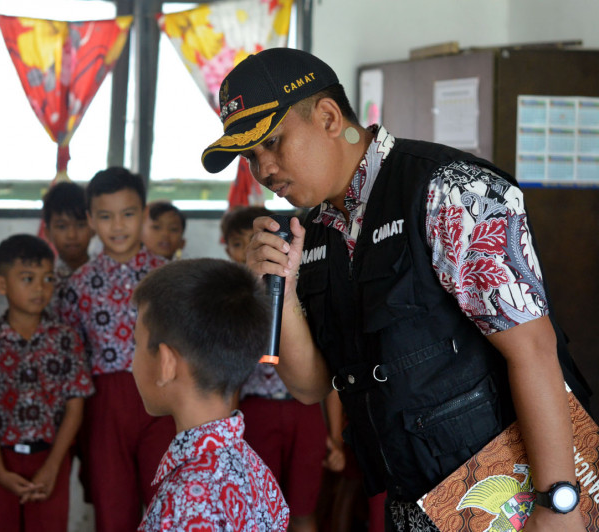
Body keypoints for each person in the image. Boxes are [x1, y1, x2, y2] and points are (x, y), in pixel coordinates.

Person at [202, 47, 590, 532]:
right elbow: (310, 387)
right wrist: (282, 287)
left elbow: (533, 348)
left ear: (327, 117)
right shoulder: (314, 231)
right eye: (250, 156)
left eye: (274, 143)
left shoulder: (448, 190)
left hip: (511, 495)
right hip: (417, 500)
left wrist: (558, 503)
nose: (264, 170)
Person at [132, 258, 290, 531]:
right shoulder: (250, 463)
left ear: (166, 363)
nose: (131, 362)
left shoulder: (187, 500)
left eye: (136, 346)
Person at [58, 167, 174, 532]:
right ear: (91, 219)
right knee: (112, 509)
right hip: (104, 406)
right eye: (106, 216)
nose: (118, 226)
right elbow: (72, 358)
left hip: (162, 401)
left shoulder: (168, 277)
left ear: (143, 213)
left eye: (128, 214)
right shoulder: (75, 286)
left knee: (168, 505)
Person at [0, 234, 93, 532]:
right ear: (2, 285)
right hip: (2, 460)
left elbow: (75, 408)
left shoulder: (66, 339)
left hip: (50, 458)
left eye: (48, 279)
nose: (40, 288)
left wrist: (53, 466)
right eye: (27, 279)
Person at [221, 205, 328, 532]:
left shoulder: (307, 282)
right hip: (256, 409)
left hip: (304, 408)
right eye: (244, 244)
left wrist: (334, 434)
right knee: (257, 509)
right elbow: (228, 369)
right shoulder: (229, 295)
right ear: (226, 246)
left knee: (303, 505)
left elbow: (330, 369)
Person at [42, 181, 95, 279]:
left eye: (80, 225)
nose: (72, 235)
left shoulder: (108, 274)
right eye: (62, 226)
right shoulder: (46, 280)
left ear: (93, 228)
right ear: (47, 233)